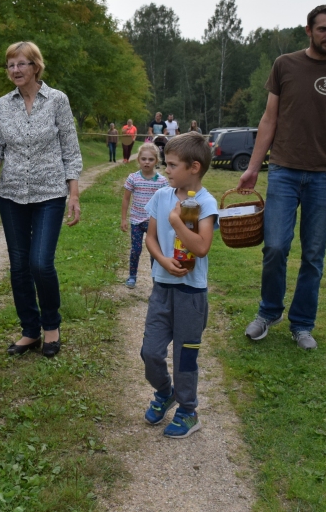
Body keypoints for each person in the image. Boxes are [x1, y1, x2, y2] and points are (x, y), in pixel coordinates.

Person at [239, 5, 326, 351]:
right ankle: (268, 314)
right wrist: (253, 167)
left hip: (325, 176)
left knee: (313, 254)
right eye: (324, 29)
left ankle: (302, 324)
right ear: (308, 30)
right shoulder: (285, 65)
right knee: (276, 246)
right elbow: (269, 120)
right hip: (283, 171)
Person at [0, 41, 83, 358]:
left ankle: (51, 326)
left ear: (36, 66)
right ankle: (30, 330)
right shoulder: (2, 105)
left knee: (40, 263)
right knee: (19, 267)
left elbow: (70, 147)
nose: (15, 70)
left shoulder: (57, 101)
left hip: (50, 193)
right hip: (11, 195)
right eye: (10, 65)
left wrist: (74, 192)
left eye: (22, 64)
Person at [141, 133, 218, 438]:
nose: (167, 170)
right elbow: (150, 236)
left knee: (186, 355)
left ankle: (188, 411)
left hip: (191, 294)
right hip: (162, 288)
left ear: (194, 167)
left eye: (172, 165)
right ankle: (165, 391)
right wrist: (161, 259)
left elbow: (201, 248)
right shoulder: (162, 196)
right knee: (150, 352)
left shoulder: (206, 203)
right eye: (166, 164)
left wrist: (176, 223)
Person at [120, 142, 168, 288]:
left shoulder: (162, 181)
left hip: (154, 222)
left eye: (151, 159)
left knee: (155, 252)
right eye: (144, 159)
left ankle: (156, 279)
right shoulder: (133, 178)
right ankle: (132, 276)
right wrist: (124, 219)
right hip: (136, 221)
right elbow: (126, 198)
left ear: (156, 161)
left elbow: (165, 203)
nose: (147, 162)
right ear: (138, 160)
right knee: (136, 250)